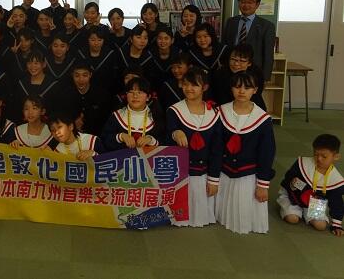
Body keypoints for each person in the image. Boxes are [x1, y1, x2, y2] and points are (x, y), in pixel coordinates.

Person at [215, 71, 276, 234]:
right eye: (237, 86)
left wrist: (263, 185)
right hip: (224, 171)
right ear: (231, 88)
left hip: (248, 174)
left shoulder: (263, 119)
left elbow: (267, 153)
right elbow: (216, 147)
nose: (241, 91)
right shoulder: (220, 112)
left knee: (245, 213)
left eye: (247, 87)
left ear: (255, 90)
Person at [167, 67, 222, 227]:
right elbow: (167, 136)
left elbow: (217, 149)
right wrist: (175, 132)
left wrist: (213, 179)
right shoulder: (174, 110)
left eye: (194, 85)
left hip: (204, 172)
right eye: (185, 84)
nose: (189, 88)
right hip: (181, 173)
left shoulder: (214, 113)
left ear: (204, 87)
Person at [277, 134, 343, 236]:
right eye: (316, 154)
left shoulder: (336, 179)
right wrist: (292, 183)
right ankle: (291, 209)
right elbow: (287, 178)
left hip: (315, 202)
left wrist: (336, 224)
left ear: (336, 157)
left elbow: (336, 202)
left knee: (321, 226)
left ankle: (305, 212)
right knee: (292, 219)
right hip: (293, 197)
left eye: (324, 156)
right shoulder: (302, 163)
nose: (319, 159)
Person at [222, 0, 276, 82]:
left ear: (257, 4)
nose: (246, 5)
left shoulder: (267, 26)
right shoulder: (231, 22)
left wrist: (265, 79)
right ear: (239, 3)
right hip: (231, 70)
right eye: (243, 1)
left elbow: (268, 56)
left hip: (253, 73)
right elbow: (225, 46)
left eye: (250, 2)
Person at [102, 76, 166, 151]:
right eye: (131, 92)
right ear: (126, 95)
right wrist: (120, 136)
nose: (135, 96)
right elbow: (104, 141)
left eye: (139, 92)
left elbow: (166, 142)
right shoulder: (117, 116)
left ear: (148, 97)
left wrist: (151, 140)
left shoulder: (156, 117)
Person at [56, 61, 112, 137]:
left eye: (85, 75)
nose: (81, 79)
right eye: (77, 76)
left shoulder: (101, 94)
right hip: (72, 134)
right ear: (72, 75)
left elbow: (106, 119)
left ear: (90, 75)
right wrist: (73, 122)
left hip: (97, 135)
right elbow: (61, 117)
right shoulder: (65, 95)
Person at [210, 44, 266, 110]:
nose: (236, 64)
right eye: (233, 59)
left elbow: (256, 95)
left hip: (251, 108)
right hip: (225, 109)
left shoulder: (256, 74)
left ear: (249, 63)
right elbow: (216, 96)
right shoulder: (220, 74)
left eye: (242, 61)